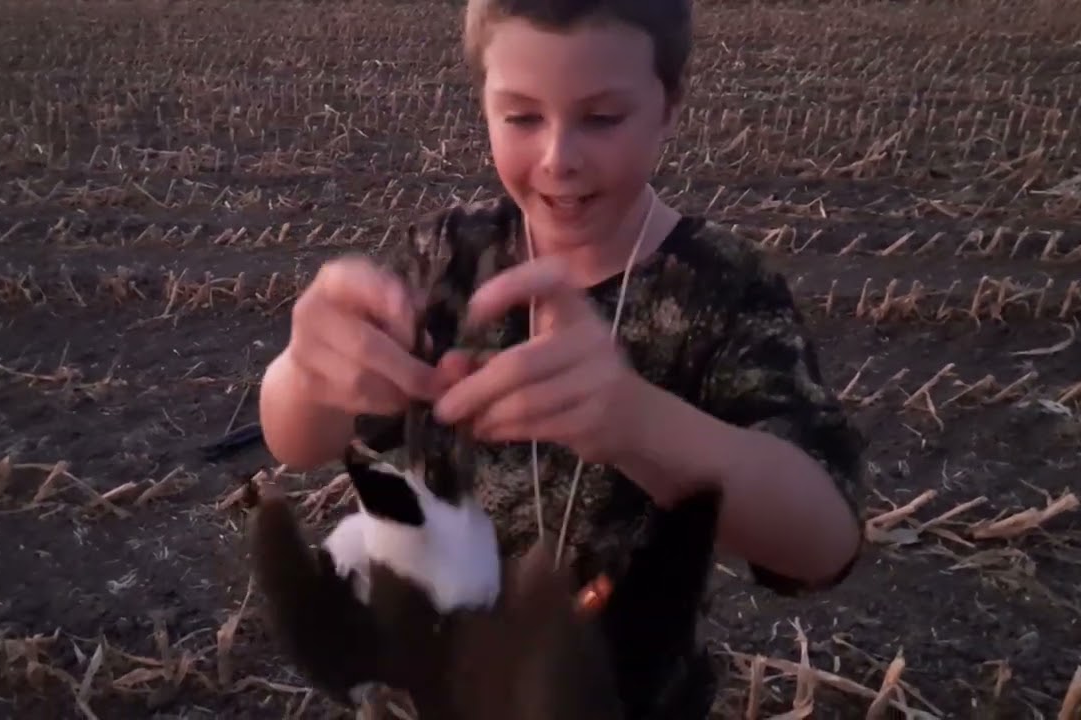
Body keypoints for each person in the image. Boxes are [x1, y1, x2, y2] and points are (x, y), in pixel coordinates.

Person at [258, 0, 866, 716]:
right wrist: (306, 370)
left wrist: (639, 423)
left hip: (625, 695)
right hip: (435, 686)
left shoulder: (722, 290)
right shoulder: (451, 257)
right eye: (521, 117)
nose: (558, 157)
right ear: (483, 100)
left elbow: (824, 541)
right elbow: (300, 442)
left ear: (670, 104)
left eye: (602, 118)